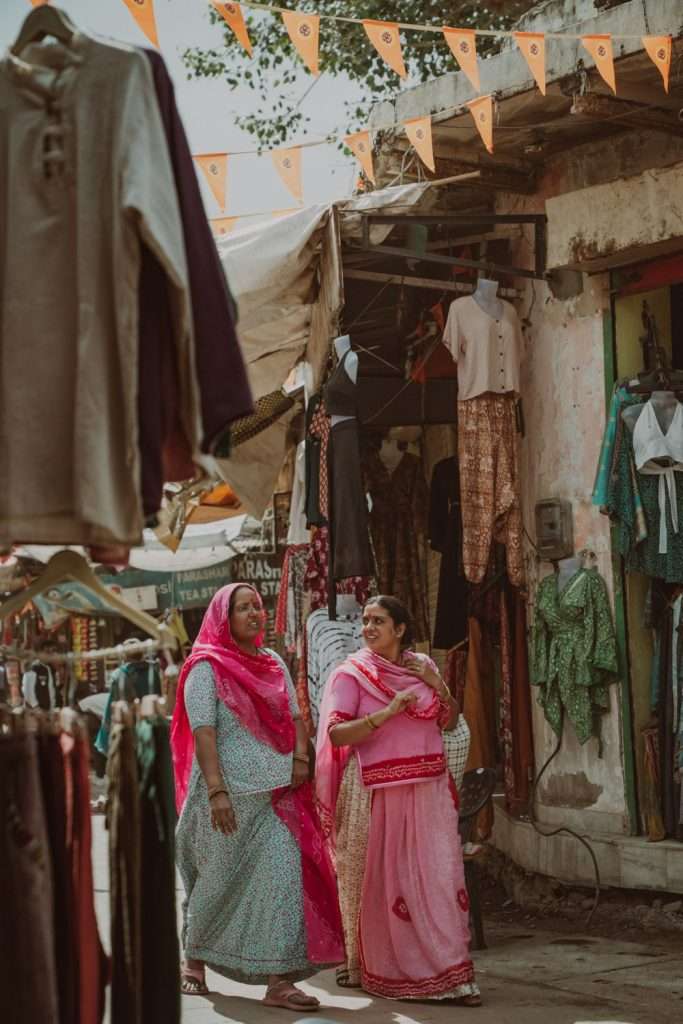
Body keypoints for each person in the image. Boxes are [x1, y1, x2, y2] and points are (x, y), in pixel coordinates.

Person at [171, 583, 344, 1009]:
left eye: (257, 607)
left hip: (274, 800)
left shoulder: (272, 663)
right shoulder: (205, 668)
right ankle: (193, 960)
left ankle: (278, 981)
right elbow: (204, 731)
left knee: (283, 875)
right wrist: (216, 791)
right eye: (243, 608)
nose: (254, 614)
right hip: (225, 801)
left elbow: (297, 715)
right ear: (223, 619)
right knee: (215, 884)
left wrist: (301, 759)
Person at [316, 595, 482, 1007]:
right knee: (386, 883)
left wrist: (436, 684)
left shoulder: (421, 667)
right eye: (366, 621)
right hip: (376, 791)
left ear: (400, 629)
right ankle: (392, 969)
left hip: (427, 789)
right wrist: (386, 713)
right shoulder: (350, 674)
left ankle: (452, 973)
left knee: (437, 879)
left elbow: (451, 718)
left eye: (378, 621)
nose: (368, 628)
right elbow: (337, 735)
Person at [94, 638, 162, 756]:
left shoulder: (118, 675)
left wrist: (104, 742)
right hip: (151, 732)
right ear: (142, 654)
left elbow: (110, 712)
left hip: (128, 734)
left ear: (124, 656)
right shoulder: (154, 673)